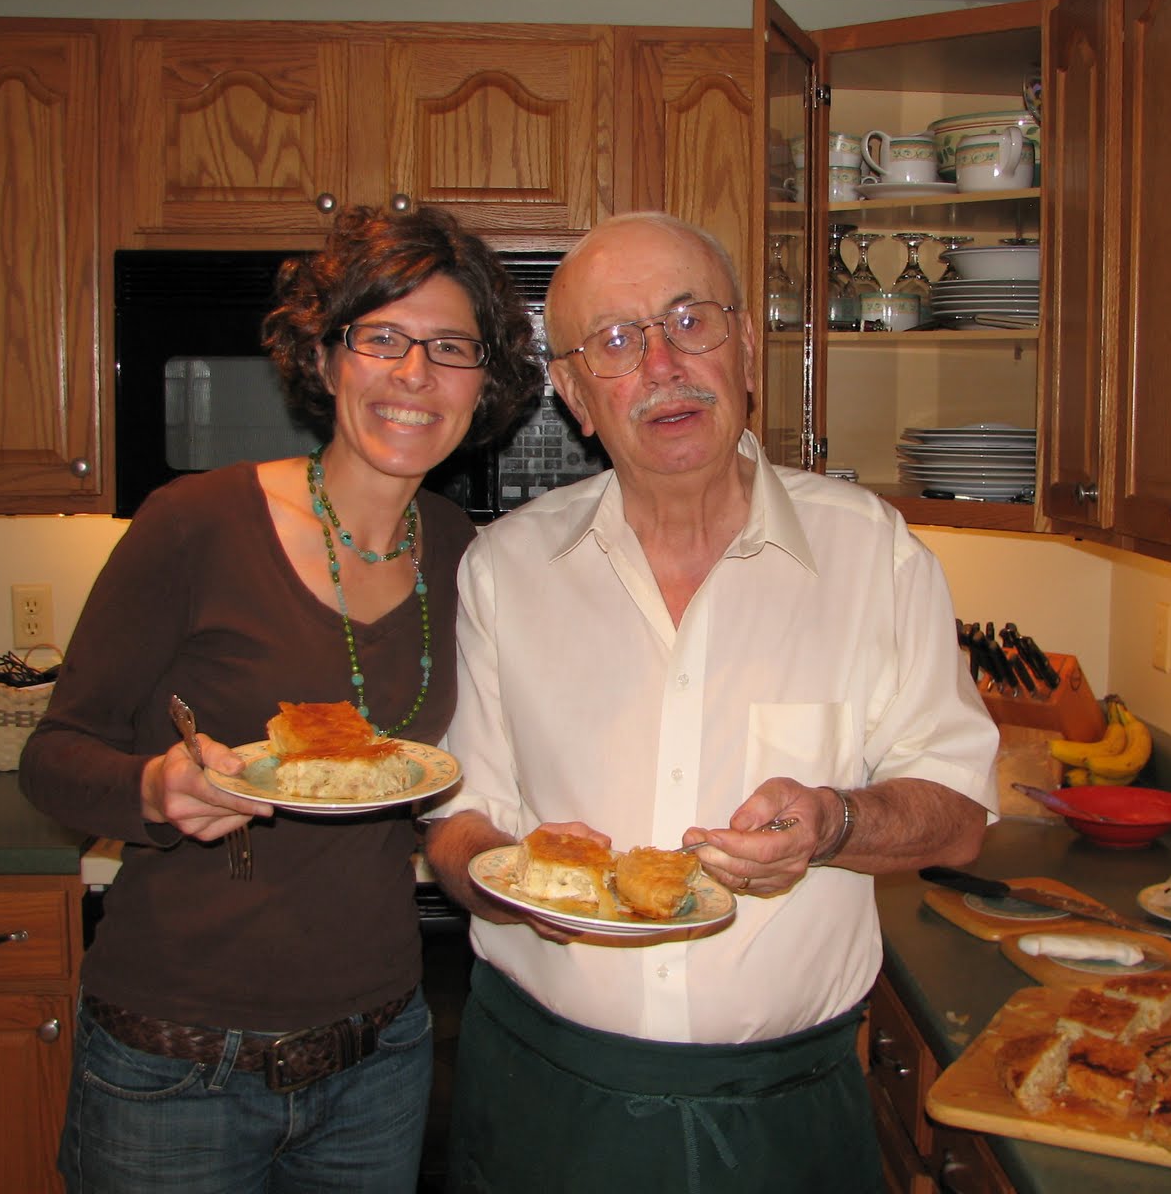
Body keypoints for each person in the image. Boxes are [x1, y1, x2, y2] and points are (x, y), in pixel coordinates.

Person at [422, 212, 999, 1193]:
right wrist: (509, 877)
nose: (660, 364)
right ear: (572, 393)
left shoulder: (874, 556)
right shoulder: (505, 570)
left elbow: (956, 819)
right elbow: (455, 823)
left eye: (689, 320)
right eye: (614, 341)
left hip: (783, 1112)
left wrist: (836, 823)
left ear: (743, 349)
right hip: (543, 1102)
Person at [20, 203, 544, 1193]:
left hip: (378, 1058)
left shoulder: (464, 553)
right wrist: (155, 791)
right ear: (328, 354)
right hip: (172, 1065)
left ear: (487, 381)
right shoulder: (196, 525)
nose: (413, 375)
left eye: (450, 347)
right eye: (381, 338)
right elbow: (53, 755)